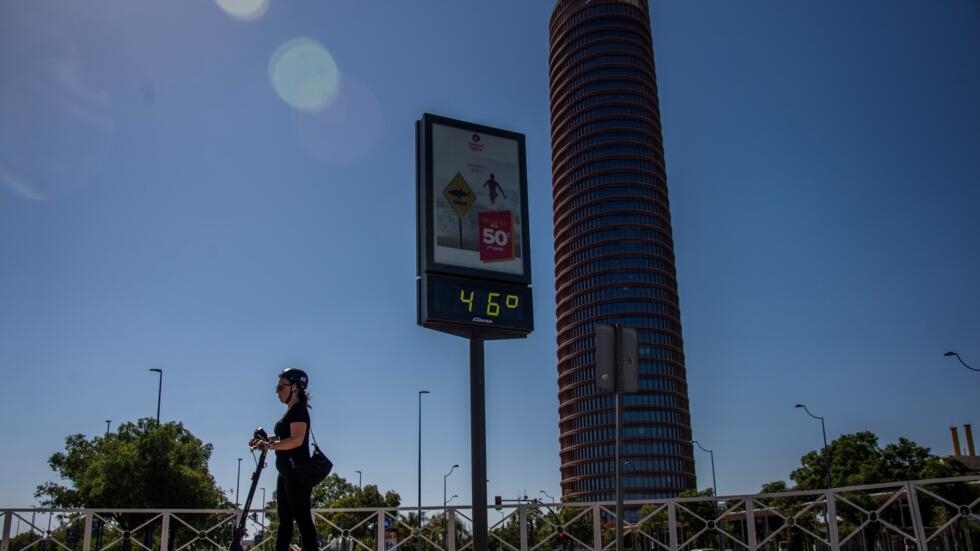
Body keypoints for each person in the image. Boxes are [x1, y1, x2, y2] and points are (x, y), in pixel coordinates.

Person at [250, 368, 318, 551]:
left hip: (297, 474)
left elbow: (296, 440)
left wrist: (271, 446)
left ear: (294, 388)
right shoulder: (291, 412)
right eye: (277, 387)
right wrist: (265, 441)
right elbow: (285, 437)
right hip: (287, 474)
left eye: (281, 387)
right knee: (285, 521)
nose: (277, 391)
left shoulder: (299, 411)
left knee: (303, 521)